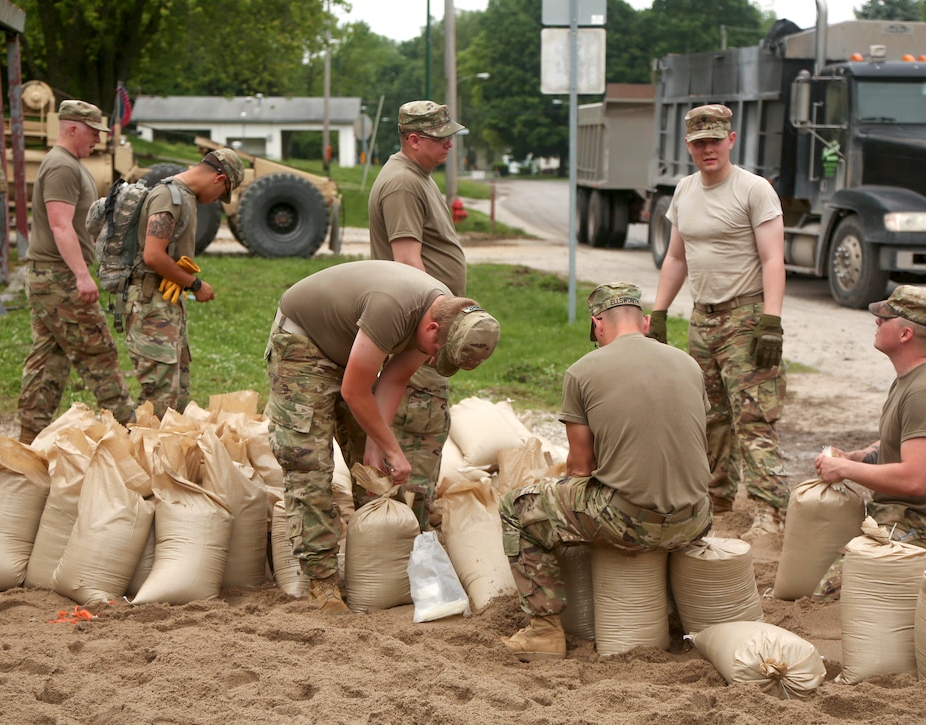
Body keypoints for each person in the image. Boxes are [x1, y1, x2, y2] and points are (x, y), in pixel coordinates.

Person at [265, 260, 501, 614]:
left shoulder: (446, 314)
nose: (434, 358)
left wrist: (378, 450)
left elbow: (392, 380)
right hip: (303, 344)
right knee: (308, 460)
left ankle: (377, 564)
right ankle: (321, 580)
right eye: (437, 352)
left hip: (352, 346)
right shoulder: (393, 308)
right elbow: (355, 390)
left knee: (371, 470)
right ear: (433, 328)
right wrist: (394, 449)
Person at [500, 283, 712, 661]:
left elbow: (581, 469)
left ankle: (543, 632)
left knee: (517, 508)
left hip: (629, 523)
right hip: (696, 518)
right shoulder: (689, 364)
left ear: (598, 326)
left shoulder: (582, 371)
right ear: (645, 323)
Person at [648, 103, 788, 541]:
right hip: (702, 319)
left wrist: (772, 320)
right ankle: (718, 496)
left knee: (753, 416)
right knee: (709, 416)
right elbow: (676, 256)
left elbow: (773, 258)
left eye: (715, 140)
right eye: (699, 142)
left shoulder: (753, 190)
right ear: (688, 146)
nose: (708, 149)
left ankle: (771, 514)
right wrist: (658, 312)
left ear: (731, 140)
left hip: (745, 318)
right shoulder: (685, 190)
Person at [812, 285, 926, 599]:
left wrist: (843, 469)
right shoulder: (913, 380)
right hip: (900, 519)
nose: (877, 321)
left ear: (906, 334)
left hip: (923, 531)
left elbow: (914, 479)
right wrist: (857, 457)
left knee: (829, 598)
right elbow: (897, 445)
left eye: (886, 317)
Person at [367, 99, 466, 529]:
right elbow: (408, 265)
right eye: (441, 138)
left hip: (428, 327)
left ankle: (409, 526)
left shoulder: (420, 177)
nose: (449, 145)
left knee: (427, 430)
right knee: (417, 433)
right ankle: (407, 531)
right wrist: (437, 325)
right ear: (413, 139)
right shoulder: (403, 184)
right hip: (419, 329)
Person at [17, 100, 135, 444]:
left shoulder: (68, 164)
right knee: (98, 353)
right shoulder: (62, 167)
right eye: (93, 132)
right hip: (59, 278)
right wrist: (82, 276)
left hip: (49, 276)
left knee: (48, 360)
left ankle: (27, 440)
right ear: (72, 128)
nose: (98, 139)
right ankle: (130, 436)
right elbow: (60, 225)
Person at [124, 148, 244, 419]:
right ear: (219, 178)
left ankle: (165, 456)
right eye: (222, 193)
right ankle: (143, 456)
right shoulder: (169, 197)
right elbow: (153, 255)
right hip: (150, 305)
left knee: (175, 396)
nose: (217, 200)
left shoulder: (183, 197)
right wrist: (195, 284)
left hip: (164, 304)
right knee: (158, 398)